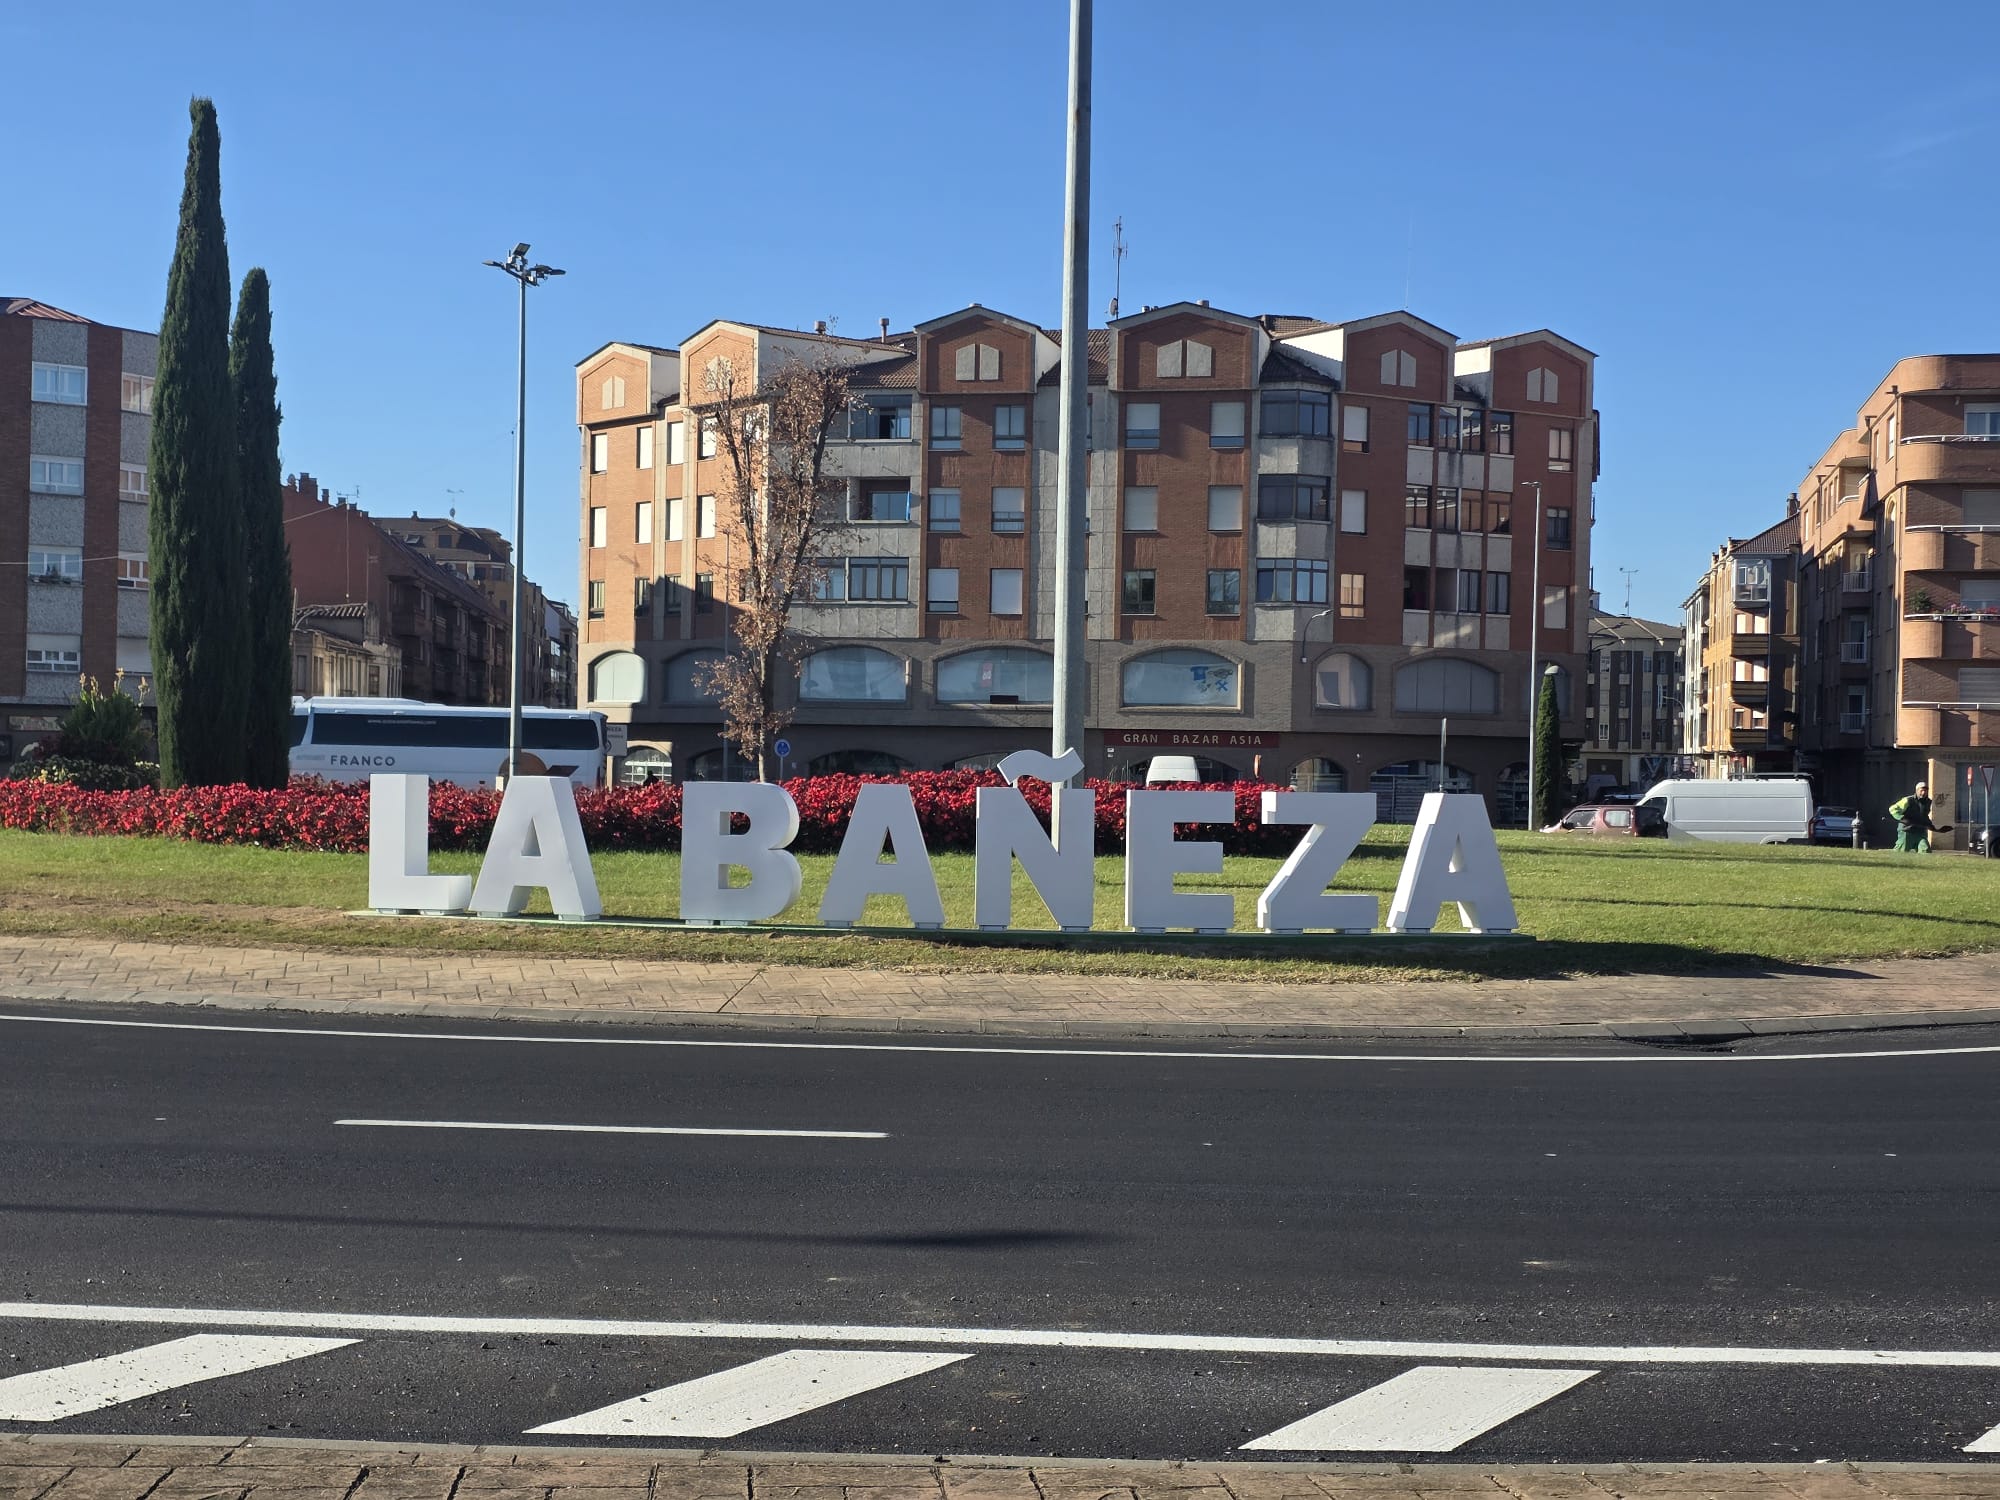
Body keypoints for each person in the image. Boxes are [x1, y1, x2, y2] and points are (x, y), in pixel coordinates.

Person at [1890, 780, 1938, 853]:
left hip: (1920, 830)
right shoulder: (1908, 800)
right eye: (1921, 790)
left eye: (1925, 791)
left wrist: (1929, 824)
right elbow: (1893, 809)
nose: (1923, 793)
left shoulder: (1928, 802)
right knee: (1901, 851)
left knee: (1925, 850)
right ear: (1917, 790)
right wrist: (1902, 818)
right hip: (1906, 830)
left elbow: (1924, 815)